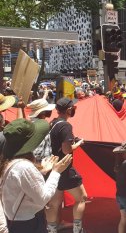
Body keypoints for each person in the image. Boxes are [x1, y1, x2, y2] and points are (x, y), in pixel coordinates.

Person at [1, 118, 72, 233]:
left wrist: (42, 171)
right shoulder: (24, 167)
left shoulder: (10, 162)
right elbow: (43, 198)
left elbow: (21, 184)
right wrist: (56, 172)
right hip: (29, 223)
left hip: (16, 220)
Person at [46, 98, 87, 233]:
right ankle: (78, 229)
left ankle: (52, 230)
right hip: (64, 169)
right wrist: (79, 143)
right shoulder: (65, 126)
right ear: (69, 110)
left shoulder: (53, 123)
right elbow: (66, 150)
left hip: (52, 169)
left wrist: (72, 140)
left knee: (54, 203)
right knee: (81, 198)